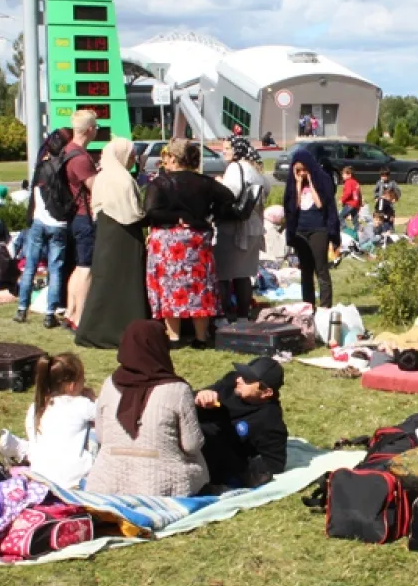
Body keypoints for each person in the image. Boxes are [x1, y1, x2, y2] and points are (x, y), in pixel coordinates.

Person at [87, 320, 208, 497]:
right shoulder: (177, 390)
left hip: (107, 482)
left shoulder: (109, 384)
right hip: (162, 487)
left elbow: (101, 436)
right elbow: (191, 445)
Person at [144, 139, 227, 348]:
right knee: (200, 289)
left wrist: (176, 216)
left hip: (168, 243)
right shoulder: (205, 182)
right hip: (197, 240)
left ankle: (174, 336)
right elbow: (229, 197)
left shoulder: (160, 183)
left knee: (169, 288)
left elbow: (150, 212)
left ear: (172, 157)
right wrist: (208, 215)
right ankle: (201, 337)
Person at [76, 137, 150, 349]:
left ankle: (96, 330)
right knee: (127, 283)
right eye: (131, 156)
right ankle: (125, 330)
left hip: (107, 234)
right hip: (124, 234)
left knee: (106, 282)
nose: (133, 159)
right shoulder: (123, 179)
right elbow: (133, 212)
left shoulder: (102, 176)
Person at [194, 357, 289, 489]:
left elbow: (275, 463)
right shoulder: (231, 382)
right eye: (241, 375)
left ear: (266, 392)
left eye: (247, 379)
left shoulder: (269, 421)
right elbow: (190, 400)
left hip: (211, 458)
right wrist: (200, 396)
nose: (239, 379)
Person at [14, 130, 71, 328]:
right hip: (59, 224)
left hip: (38, 220)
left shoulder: (41, 168)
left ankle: (22, 309)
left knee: (30, 266)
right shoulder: (65, 169)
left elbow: (34, 194)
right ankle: (50, 313)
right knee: (55, 269)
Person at [214, 135, 268, 323]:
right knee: (243, 274)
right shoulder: (255, 170)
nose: (224, 151)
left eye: (227, 148)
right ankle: (243, 315)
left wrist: (219, 183)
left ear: (237, 150)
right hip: (254, 227)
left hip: (235, 229)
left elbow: (230, 193)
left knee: (223, 274)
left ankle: (224, 315)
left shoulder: (235, 168)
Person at [22, 353, 96, 489]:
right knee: (96, 432)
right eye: (83, 381)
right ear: (72, 386)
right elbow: (107, 419)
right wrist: (93, 399)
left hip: (40, 475)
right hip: (72, 478)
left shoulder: (36, 408)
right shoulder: (82, 404)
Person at [283, 147, 340, 309]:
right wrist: (299, 184)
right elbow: (293, 208)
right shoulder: (293, 184)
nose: (301, 173)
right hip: (301, 230)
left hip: (318, 230)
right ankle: (308, 307)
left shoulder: (321, 180)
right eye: (298, 170)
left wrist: (311, 182)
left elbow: (321, 204)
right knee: (305, 272)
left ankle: (325, 307)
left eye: (304, 169)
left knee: (321, 269)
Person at [63, 111, 100, 329]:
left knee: (79, 266)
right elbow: (95, 187)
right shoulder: (81, 158)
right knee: (86, 267)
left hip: (74, 216)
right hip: (84, 216)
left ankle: (71, 311)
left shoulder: (67, 151)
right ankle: (80, 318)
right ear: (89, 130)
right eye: (95, 126)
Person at [339, 166, 362, 230]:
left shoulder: (348, 182)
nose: (342, 176)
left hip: (350, 204)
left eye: (344, 174)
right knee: (355, 220)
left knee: (341, 217)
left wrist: (342, 199)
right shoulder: (355, 182)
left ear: (349, 175)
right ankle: (359, 230)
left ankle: (345, 229)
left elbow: (348, 193)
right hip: (355, 204)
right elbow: (359, 194)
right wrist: (360, 204)